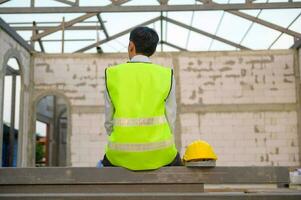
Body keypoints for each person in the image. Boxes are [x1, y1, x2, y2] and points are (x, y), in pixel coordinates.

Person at [101, 26, 182, 170]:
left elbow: (109, 119)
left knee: (103, 168)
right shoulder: (166, 75)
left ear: (131, 46)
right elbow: (171, 117)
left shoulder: (112, 74)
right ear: (153, 50)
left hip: (120, 153)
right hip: (161, 153)